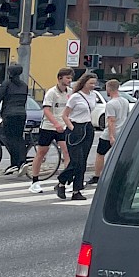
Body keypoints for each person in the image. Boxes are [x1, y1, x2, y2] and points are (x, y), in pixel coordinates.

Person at [54, 72, 102, 200]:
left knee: (83, 161)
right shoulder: (75, 97)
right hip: (76, 127)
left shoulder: (93, 95)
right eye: (90, 83)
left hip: (88, 127)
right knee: (76, 161)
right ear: (84, 83)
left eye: (94, 83)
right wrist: (72, 128)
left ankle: (77, 190)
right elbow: (65, 115)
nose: (93, 86)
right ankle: (61, 182)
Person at [28, 67, 74, 192]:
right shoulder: (51, 92)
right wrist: (55, 124)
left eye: (71, 78)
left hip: (63, 126)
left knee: (67, 151)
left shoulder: (70, 92)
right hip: (48, 127)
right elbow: (46, 110)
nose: (70, 80)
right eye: (67, 78)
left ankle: (68, 180)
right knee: (42, 152)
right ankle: (35, 181)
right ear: (60, 78)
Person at [0, 64, 31, 175]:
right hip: (21, 114)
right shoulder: (24, 85)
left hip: (9, 114)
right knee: (18, 138)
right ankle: (18, 163)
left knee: (9, 138)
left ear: (10, 73)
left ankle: (18, 163)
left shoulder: (6, 84)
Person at [92, 79, 132, 184]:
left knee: (100, 153)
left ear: (108, 88)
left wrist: (111, 136)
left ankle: (97, 175)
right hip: (122, 132)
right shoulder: (125, 101)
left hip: (111, 133)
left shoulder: (111, 104)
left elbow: (111, 120)